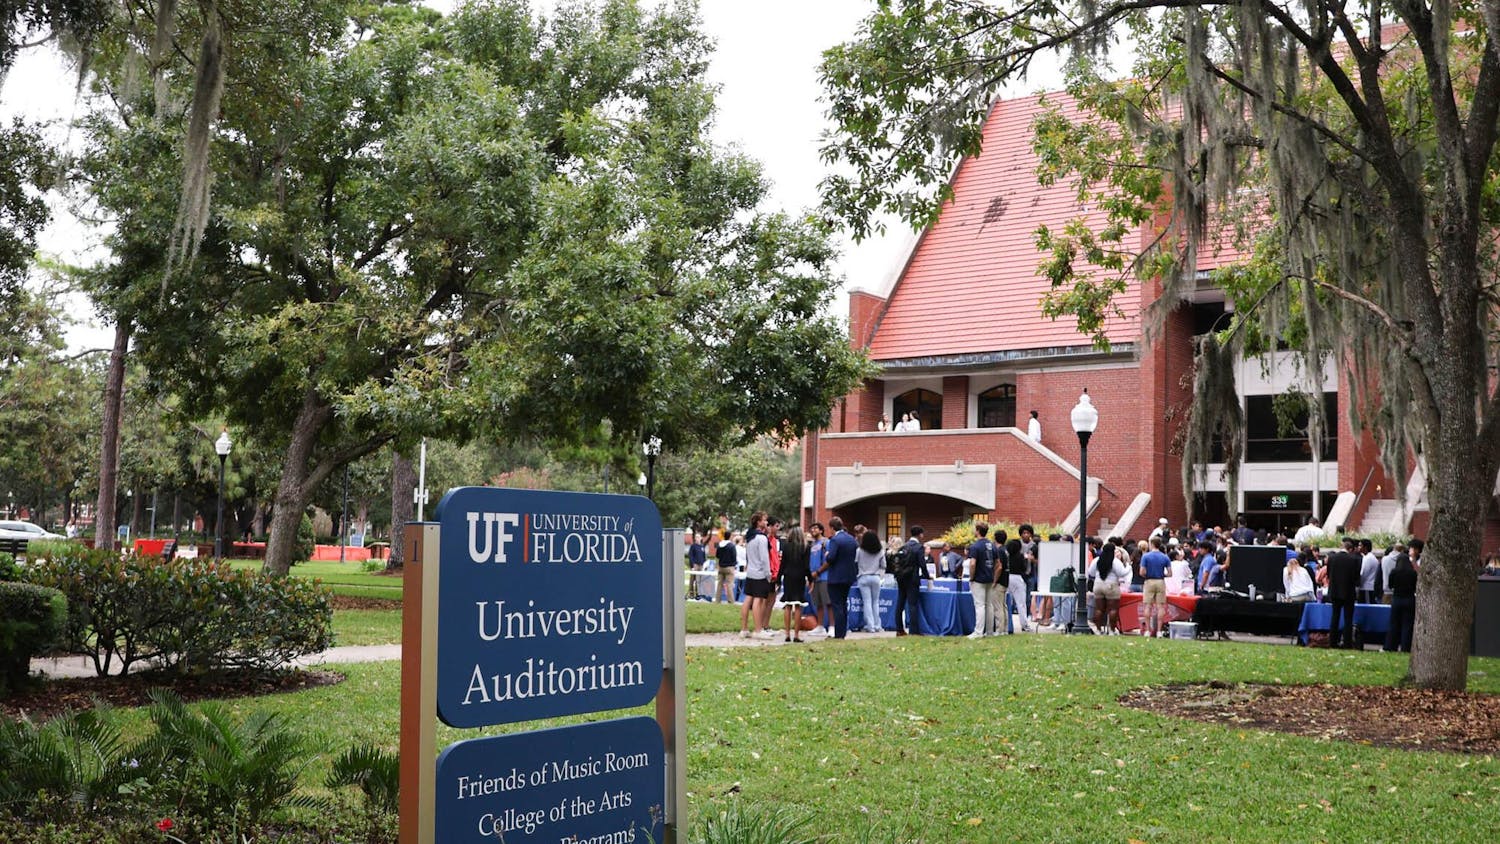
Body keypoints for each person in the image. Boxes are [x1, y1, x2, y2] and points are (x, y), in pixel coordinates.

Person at [812, 517, 858, 639]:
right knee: (843, 604)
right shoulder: (851, 539)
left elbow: (831, 558)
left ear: (832, 528)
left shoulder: (835, 540)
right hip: (848, 576)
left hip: (836, 576)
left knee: (836, 605)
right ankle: (843, 631)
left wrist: (827, 554)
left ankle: (838, 633)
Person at [965, 522, 1003, 638]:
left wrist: (971, 577)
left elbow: (972, 563)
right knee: (989, 605)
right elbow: (999, 565)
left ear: (977, 531)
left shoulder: (975, 546)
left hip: (978, 580)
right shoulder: (992, 546)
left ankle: (978, 631)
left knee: (980, 605)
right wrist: (995, 578)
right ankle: (990, 631)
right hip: (989, 578)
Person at [1323, 538, 1363, 649]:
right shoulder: (1354, 559)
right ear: (1350, 549)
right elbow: (1356, 577)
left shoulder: (1332, 558)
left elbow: (1329, 574)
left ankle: (1332, 642)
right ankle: (1347, 643)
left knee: (1335, 616)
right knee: (1348, 618)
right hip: (1348, 592)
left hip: (1335, 591)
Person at [740, 518, 775, 638]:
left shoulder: (749, 537)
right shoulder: (761, 538)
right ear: (759, 522)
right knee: (758, 600)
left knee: (748, 599)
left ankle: (744, 629)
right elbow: (764, 558)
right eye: (764, 520)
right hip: (760, 573)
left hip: (750, 571)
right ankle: (758, 630)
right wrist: (768, 573)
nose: (766, 523)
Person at [777, 526, 812, 642]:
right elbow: (807, 566)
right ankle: (796, 635)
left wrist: (778, 579)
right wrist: (810, 579)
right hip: (800, 576)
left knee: (787, 605)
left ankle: (787, 634)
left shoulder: (786, 546)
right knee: (798, 605)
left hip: (788, 576)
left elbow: (782, 564)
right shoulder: (805, 547)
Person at [893, 526, 929, 635]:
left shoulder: (903, 547)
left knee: (900, 603)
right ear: (920, 534)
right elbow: (922, 564)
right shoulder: (918, 547)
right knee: (912, 605)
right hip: (912, 579)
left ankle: (899, 629)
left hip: (901, 578)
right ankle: (914, 631)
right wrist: (926, 576)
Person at [1089, 542, 1127, 634]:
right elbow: (1122, 573)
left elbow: (1091, 572)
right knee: (1113, 609)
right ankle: (1111, 630)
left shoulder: (1097, 560)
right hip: (1111, 585)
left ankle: (1098, 629)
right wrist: (1128, 568)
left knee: (1099, 609)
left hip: (1098, 584)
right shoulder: (1115, 561)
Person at [854, 527, 887, 633]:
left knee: (867, 602)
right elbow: (884, 565)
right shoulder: (880, 551)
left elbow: (856, 563)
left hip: (863, 577)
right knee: (875, 602)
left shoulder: (859, 550)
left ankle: (870, 625)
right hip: (876, 577)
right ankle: (877, 625)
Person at [1384, 549, 1418, 652]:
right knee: (1407, 625)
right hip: (1409, 599)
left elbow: (1390, 585)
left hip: (1397, 598)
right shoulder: (1412, 573)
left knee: (1394, 623)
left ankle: (1390, 646)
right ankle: (1405, 647)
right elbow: (1415, 586)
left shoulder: (1394, 572)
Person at [1138, 537, 1171, 637]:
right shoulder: (1165, 557)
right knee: (1160, 606)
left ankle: (1148, 630)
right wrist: (1162, 575)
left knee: (1148, 606)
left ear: (1151, 544)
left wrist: (1147, 575)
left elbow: (1142, 572)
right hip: (1160, 581)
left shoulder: (1146, 556)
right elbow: (1170, 573)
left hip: (1149, 581)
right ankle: (1159, 631)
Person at [1003, 531, 1033, 632]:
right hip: (1017, 578)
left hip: (1007, 577)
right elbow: (1024, 569)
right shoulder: (1020, 556)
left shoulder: (1006, 555)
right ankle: (1024, 625)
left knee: (1005, 602)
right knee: (1021, 603)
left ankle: (1005, 624)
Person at [806, 522, 832, 635]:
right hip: (814, 578)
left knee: (828, 602)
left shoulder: (826, 542)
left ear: (821, 530)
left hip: (824, 576)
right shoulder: (812, 545)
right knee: (818, 603)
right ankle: (820, 625)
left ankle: (832, 626)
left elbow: (829, 561)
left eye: (816, 528)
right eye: (811, 528)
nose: (813, 530)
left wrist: (818, 572)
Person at [714, 528, 738, 604]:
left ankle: (717, 600)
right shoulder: (731, 546)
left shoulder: (719, 545)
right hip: (729, 567)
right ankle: (730, 601)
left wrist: (717, 565)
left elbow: (717, 556)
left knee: (719, 584)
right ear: (730, 536)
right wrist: (734, 566)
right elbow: (734, 557)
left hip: (721, 567)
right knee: (729, 585)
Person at [1358, 538, 1380, 603]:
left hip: (1367, 587)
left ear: (1365, 547)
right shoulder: (1366, 557)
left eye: (1360, 545)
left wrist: (1359, 584)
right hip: (1366, 587)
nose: (1359, 547)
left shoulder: (1369, 558)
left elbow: (1364, 573)